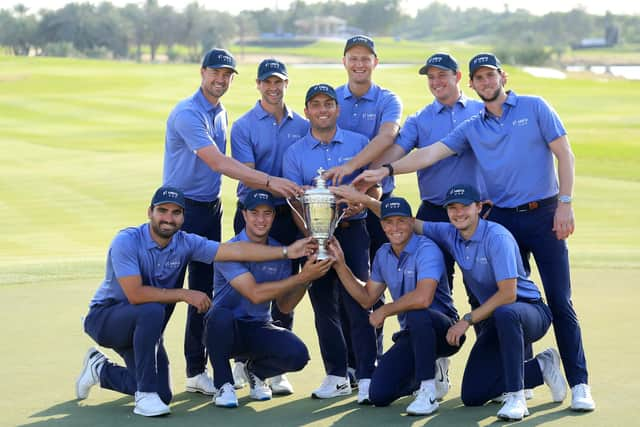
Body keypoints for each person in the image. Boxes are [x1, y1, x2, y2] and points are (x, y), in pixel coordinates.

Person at [354, 52, 595, 412]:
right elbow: (430, 154)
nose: (485, 82)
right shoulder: (472, 125)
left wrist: (565, 202)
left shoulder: (535, 106)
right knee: (493, 297)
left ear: (502, 77)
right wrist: (385, 171)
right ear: (472, 83)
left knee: (558, 300)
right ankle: (514, 374)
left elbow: (565, 154)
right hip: (501, 217)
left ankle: (579, 384)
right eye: (478, 78)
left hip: (542, 213)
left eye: (489, 76)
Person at [331, 184, 567, 421]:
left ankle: (516, 397)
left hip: (529, 311)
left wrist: (466, 320)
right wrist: (341, 260)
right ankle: (542, 367)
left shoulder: (497, 237)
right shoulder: (447, 233)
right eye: (452, 208)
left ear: (479, 207)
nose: (458, 213)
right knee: (473, 394)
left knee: (504, 313)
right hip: (494, 320)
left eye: (464, 206)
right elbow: (402, 223)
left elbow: (508, 294)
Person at [75, 186, 315, 417]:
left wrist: (287, 252)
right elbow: (136, 295)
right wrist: (184, 293)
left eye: (176, 212)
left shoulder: (186, 242)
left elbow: (235, 251)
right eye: (162, 211)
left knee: (163, 395)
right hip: (106, 319)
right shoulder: (126, 241)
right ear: (150, 212)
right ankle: (144, 395)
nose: (168, 218)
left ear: (183, 217)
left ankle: (101, 369)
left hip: (144, 330)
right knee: (151, 310)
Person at [163, 48, 302, 394]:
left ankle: (197, 370)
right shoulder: (188, 113)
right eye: (215, 73)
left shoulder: (221, 112)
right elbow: (219, 164)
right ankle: (149, 369)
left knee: (204, 291)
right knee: (169, 291)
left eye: (227, 75)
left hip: (210, 209)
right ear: (202, 72)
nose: (220, 80)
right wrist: (270, 182)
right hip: (180, 211)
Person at [282, 83, 378, 404]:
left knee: (359, 300)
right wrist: (314, 237)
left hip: (354, 231)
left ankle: (365, 374)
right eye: (316, 105)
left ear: (337, 109)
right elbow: (296, 204)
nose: (322, 110)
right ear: (307, 110)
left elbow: (373, 189)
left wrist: (362, 202)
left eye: (328, 104)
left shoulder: (358, 143)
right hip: (314, 236)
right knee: (323, 303)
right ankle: (337, 374)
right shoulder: (294, 153)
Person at [326, 197, 462, 416]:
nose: (395, 227)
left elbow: (424, 298)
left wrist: (386, 310)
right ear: (382, 225)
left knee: (419, 314)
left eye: (401, 221)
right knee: (379, 394)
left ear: (411, 222)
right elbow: (367, 298)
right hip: (412, 333)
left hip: (444, 333)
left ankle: (428, 390)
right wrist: (340, 264)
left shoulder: (427, 249)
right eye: (389, 222)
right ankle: (424, 373)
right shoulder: (383, 254)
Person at [205, 190, 333, 408]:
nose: (261, 220)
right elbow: (254, 294)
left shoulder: (281, 251)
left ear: (274, 217)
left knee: (298, 355)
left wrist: (306, 278)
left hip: (258, 327)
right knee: (219, 316)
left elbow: (285, 306)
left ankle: (255, 371)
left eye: (267, 214)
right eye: (254, 213)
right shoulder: (229, 250)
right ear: (244, 215)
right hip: (226, 330)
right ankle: (223, 384)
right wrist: (302, 276)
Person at [325, 33, 403, 384]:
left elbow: (387, 138)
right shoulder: (330, 98)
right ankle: (355, 364)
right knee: (345, 281)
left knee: (379, 280)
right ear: (344, 61)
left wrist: (358, 177)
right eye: (353, 57)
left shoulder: (387, 99)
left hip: (374, 202)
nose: (359, 63)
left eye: (365, 58)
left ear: (375, 63)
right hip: (336, 207)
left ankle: (377, 359)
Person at [229, 59, 310, 394]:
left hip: (288, 215)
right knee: (248, 288)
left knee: (287, 285)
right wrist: (278, 185)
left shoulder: (302, 125)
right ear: (258, 85)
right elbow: (248, 177)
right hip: (252, 213)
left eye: (279, 82)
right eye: (267, 82)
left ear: (287, 84)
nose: (273, 88)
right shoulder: (244, 126)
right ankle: (240, 361)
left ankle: (274, 366)